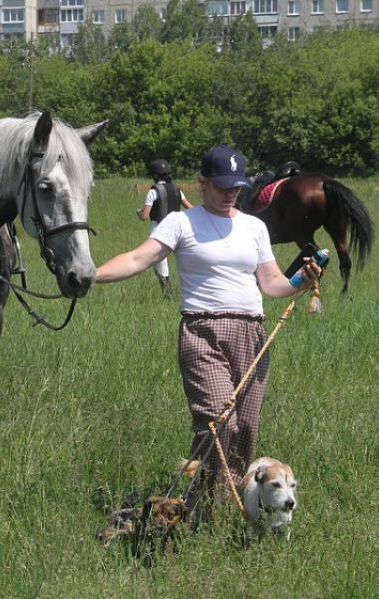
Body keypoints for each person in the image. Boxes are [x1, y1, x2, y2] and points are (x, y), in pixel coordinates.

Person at [95, 144, 322, 518]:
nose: (230, 193)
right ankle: (203, 505)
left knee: (245, 428)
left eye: (236, 186)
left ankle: (223, 511)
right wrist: (91, 276)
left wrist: (301, 279)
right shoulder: (181, 223)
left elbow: (271, 283)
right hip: (203, 332)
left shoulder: (254, 227)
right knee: (219, 424)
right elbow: (138, 258)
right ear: (202, 183)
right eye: (222, 186)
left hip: (252, 334)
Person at [138, 159, 193, 297]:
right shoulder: (177, 189)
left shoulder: (154, 191)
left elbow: (144, 216)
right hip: (178, 229)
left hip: (159, 230)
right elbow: (190, 207)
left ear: (155, 176)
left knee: (160, 263)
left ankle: (168, 293)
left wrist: (138, 212)